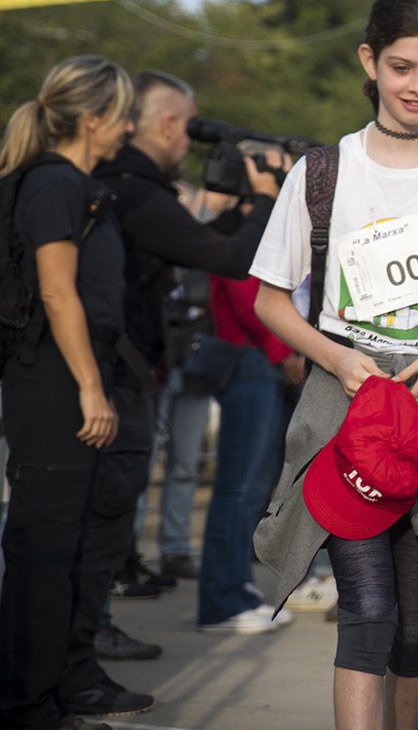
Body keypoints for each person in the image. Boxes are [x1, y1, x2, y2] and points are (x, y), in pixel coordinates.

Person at [251, 0, 418, 729]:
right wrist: (339, 359)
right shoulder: (322, 174)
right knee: (368, 613)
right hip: (347, 425)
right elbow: (270, 299)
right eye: (403, 67)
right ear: (369, 62)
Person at [94, 70, 281, 628]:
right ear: (171, 124)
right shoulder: (134, 188)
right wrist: (268, 201)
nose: (188, 146)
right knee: (106, 507)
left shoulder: (131, 190)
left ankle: (92, 634)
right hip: (119, 369)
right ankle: (84, 641)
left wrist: (246, 211)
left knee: (118, 499)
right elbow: (226, 260)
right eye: (188, 130)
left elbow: (195, 241)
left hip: (131, 365)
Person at [0, 55, 146, 729]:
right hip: (54, 388)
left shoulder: (74, 182)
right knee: (43, 551)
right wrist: (91, 388)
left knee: (66, 549)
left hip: (72, 382)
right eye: (123, 116)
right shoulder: (55, 184)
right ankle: (28, 704)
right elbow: (57, 291)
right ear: (92, 119)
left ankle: (53, 692)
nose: (130, 128)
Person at [194, 263, 301, 634]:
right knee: (235, 489)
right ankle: (221, 600)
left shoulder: (252, 226)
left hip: (259, 362)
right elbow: (249, 301)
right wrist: (284, 352)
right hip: (248, 360)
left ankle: (236, 589)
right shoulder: (244, 231)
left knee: (250, 489)